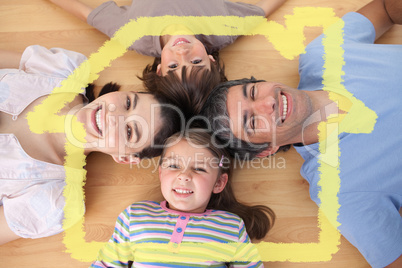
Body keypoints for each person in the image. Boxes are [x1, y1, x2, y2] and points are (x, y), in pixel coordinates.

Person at [200, 0, 402, 267]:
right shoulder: (339, 191)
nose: (267, 104)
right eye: (252, 122)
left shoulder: (322, 55)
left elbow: (386, 9)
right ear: (266, 149)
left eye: (252, 92)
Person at [0, 45, 181, 245]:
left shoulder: (55, 200)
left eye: (129, 131)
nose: (113, 115)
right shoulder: (65, 69)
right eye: (128, 103)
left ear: (124, 157)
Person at [48, 0, 286, 117]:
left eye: (174, 66)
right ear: (211, 60)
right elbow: (263, 9)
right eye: (196, 63)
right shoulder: (224, 28)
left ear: (160, 70)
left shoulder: (134, 34)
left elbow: (83, 11)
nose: (183, 53)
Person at [91, 129, 275, 267]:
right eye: (173, 166)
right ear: (161, 174)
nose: (184, 176)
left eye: (200, 168)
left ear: (219, 182)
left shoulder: (231, 226)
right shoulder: (135, 216)